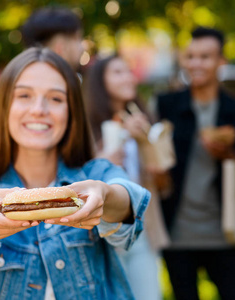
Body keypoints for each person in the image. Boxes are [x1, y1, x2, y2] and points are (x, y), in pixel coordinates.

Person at [0, 47, 150, 299]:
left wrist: (104, 195)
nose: (39, 109)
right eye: (24, 96)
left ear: (71, 112)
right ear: (5, 106)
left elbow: (128, 199)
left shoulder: (96, 174)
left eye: (55, 99)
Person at [156, 27, 235, 300]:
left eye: (205, 57)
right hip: (177, 233)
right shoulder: (165, 105)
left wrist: (231, 156)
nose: (196, 64)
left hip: (225, 232)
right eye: (191, 57)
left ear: (221, 61)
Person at [85, 54, 168, 300]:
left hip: (142, 226)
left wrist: (148, 146)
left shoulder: (144, 121)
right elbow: (76, 177)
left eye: (128, 71)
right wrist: (118, 140)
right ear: (100, 82)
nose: (128, 78)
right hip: (102, 232)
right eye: (118, 72)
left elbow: (163, 184)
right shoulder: (86, 127)